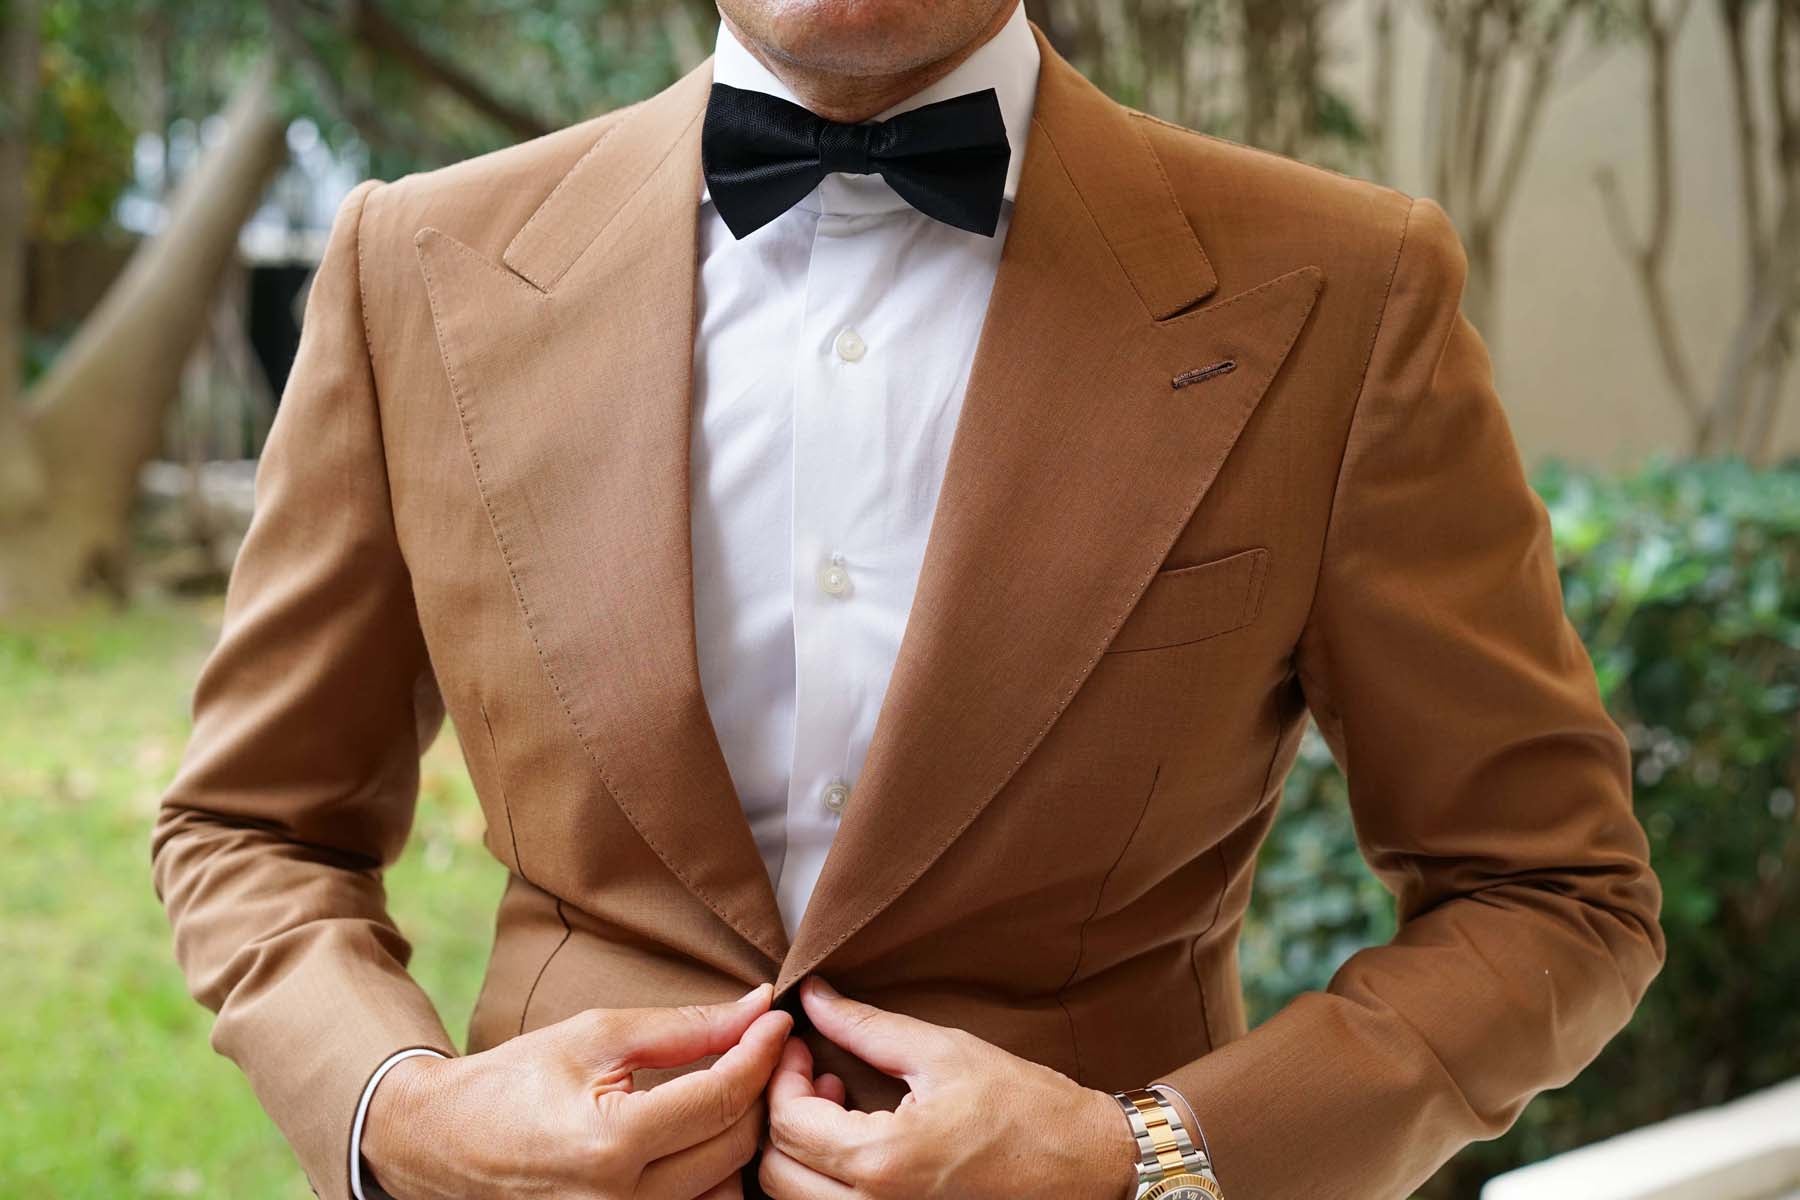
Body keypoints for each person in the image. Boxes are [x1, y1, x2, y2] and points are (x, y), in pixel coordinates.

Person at [150, 1, 1667, 1197]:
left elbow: (1553, 896)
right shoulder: (413, 266)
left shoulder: (1343, 289)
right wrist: (403, 1120)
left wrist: (1152, 1158)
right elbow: (251, 827)